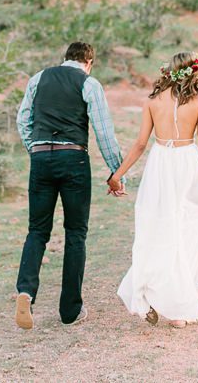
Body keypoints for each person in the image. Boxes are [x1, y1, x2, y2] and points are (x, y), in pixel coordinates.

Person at [15, 40, 124, 329]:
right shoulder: (89, 83)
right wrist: (117, 173)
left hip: (41, 159)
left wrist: (35, 148)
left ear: (64, 58)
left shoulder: (38, 78)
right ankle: (70, 310)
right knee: (75, 233)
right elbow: (104, 132)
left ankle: (25, 291)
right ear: (89, 62)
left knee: (37, 230)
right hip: (73, 159)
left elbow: (23, 119)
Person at [109, 51, 198, 328]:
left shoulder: (152, 102)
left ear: (168, 71)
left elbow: (139, 145)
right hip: (188, 165)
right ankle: (180, 310)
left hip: (160, 165)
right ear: (192, 73)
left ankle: (155, 294)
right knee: (190, 228)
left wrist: (116, 175)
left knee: (157, 228)